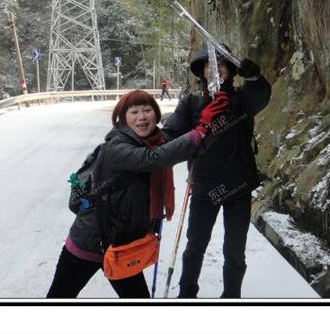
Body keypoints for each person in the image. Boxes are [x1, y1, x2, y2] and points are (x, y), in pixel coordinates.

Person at [46, 89, 229, 298]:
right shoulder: (117, 147)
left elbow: (173, 132)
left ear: (155, 114)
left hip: (121, 247)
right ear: (123, 118)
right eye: (134, 112)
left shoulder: (154, 139)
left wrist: (196, 102)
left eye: (147, 110)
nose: (141, 117)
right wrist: (201, 130)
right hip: (89, 242)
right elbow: (154, 158)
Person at [162, 46, 271, 298]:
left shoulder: (242, 99)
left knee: (234, 249)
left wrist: (255, 77)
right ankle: (187, 293)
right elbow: (170, 134)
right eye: (210, 65)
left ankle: (231, 296)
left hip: (238, 187)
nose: (216, 69)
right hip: (203, 185)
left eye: (222, 64)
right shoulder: (190, 103)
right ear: (202, 71)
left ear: (231, 71)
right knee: (195, 245)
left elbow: (261, 94)